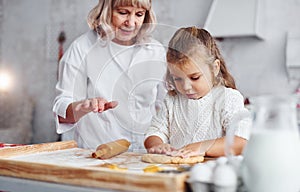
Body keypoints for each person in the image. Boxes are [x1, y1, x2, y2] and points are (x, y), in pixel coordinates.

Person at [53, 0, 167, 152]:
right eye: (123, 13)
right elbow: (62, 111)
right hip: (95, 152)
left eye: (139, 14)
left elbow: (164, 108)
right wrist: (82, 107)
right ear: (106, 10)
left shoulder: (156, 51)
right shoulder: (82, 48)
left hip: (142, 155)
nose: (131, 23)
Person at [144, 27, 251, 158]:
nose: (186, 87)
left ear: (215, 68)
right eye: (177, 78)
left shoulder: (228, 99)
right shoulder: (172, 100)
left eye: (194, 77)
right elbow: (154, 132)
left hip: (213, 173)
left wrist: (201, 148)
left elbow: (240, 141)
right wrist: (157, 145)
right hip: (176, 172)